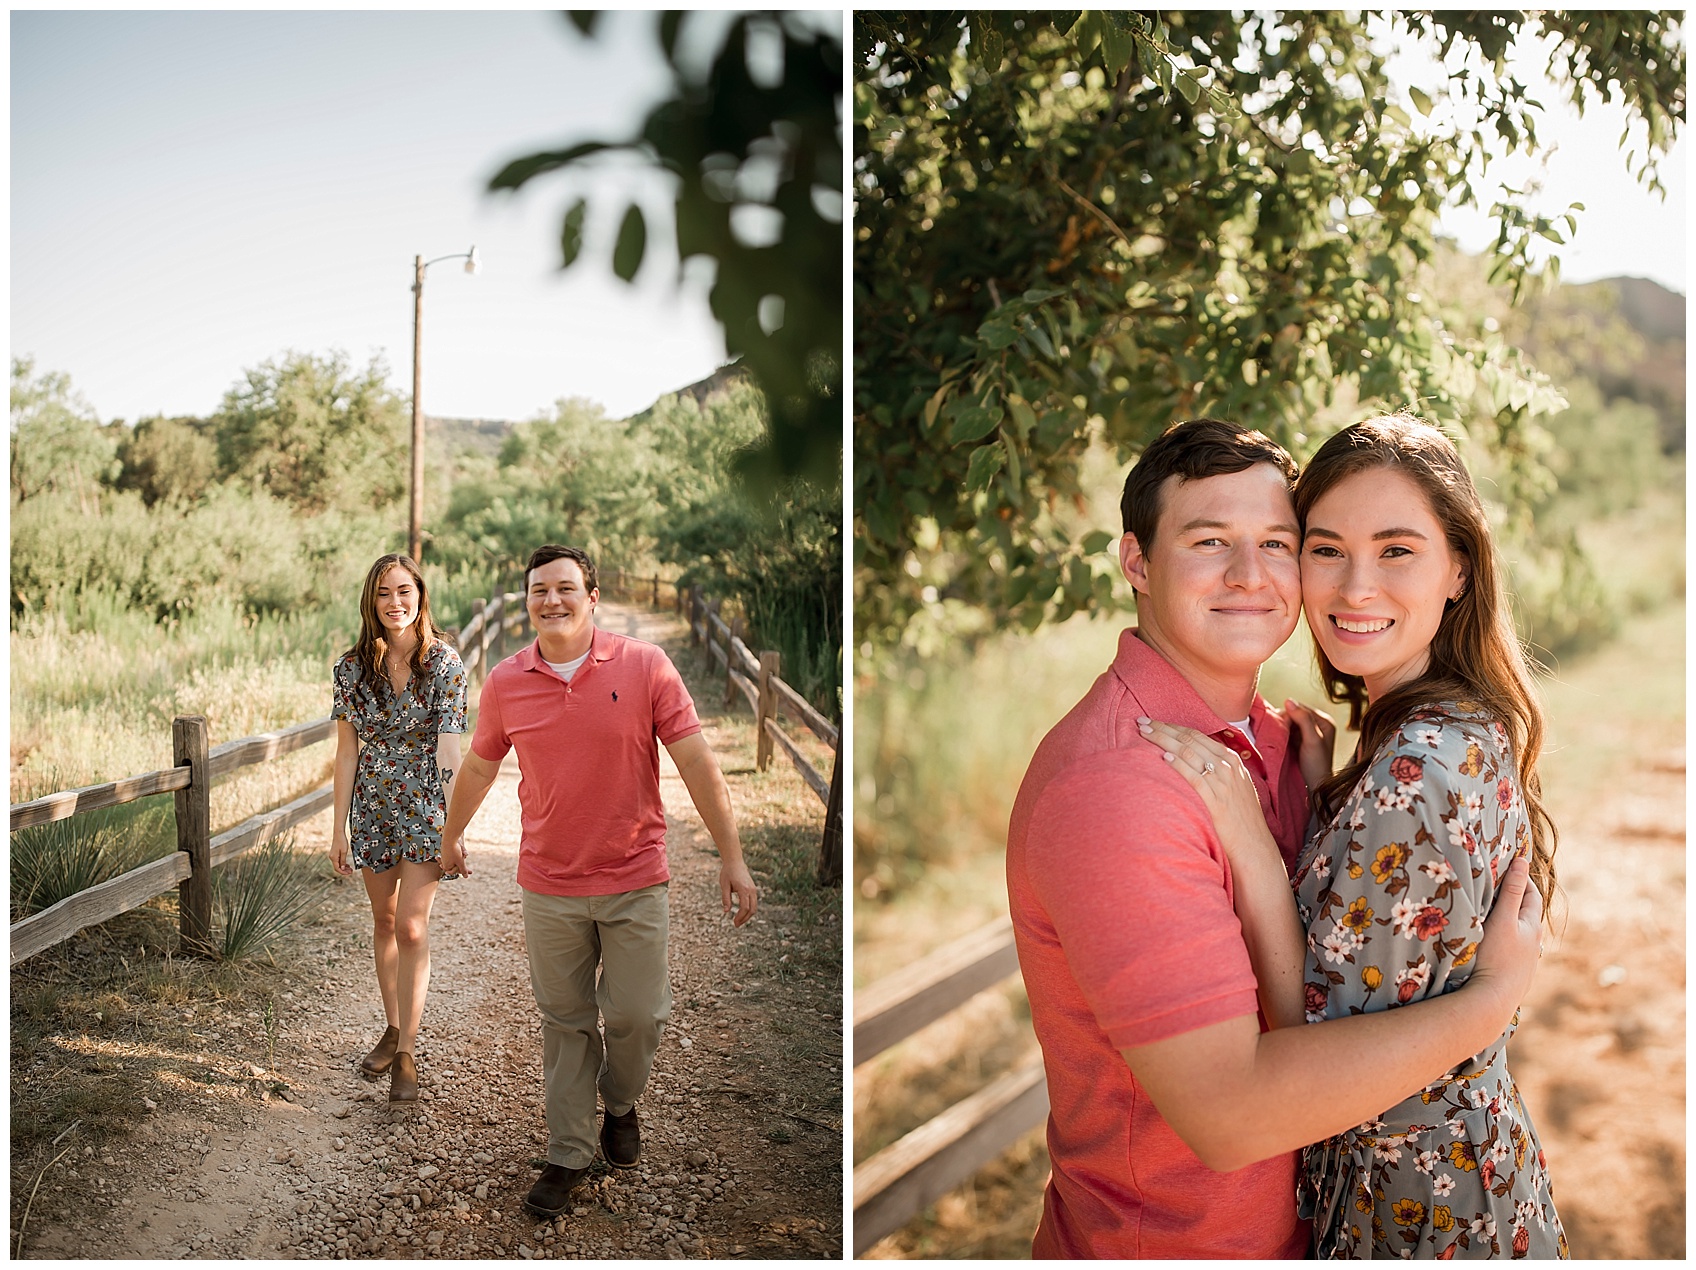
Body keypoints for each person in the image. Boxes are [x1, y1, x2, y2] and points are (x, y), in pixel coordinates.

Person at [1006, 418, 1544, 1259]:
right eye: (1208, 541)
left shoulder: (1277, 744)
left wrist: (1314, 795)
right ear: (1137, 563)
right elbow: (1229, 1117)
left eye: (1276, 543)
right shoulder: (1120, 785)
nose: (1250, 576)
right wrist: (1488, 1005)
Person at [437, 544, 759, 1218]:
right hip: (549, 884)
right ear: (527, 601)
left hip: (635, 876)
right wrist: (451, 834)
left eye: (564, 588)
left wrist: (732, 856)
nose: (550, 601)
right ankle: (568, 1150)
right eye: (538, 591)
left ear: (592, 596)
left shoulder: (644, 666)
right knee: (566, 1022)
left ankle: (618, 1101)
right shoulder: (505, 680)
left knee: (640, 1015)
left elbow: (697, 761)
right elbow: (477, 768)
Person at [329, 552, 468, 1103]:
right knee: (383, 922)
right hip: (371, 808)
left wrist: (455, 827)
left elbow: (451, 750)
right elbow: (345, 754)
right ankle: (392, 1025)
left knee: (412, 927)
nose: (395, 602)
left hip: (425, 810)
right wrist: (337, 829)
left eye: (404, 591)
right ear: (371, 601)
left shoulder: (446, 666)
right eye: (384, 593)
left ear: (420, 595)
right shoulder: (351, 669)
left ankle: (407, 1049)